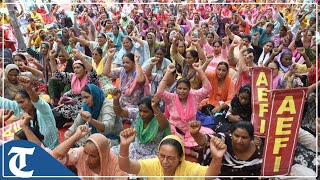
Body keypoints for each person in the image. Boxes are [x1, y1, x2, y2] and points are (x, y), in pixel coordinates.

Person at [118, 128, 227, 179]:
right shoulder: (153, 165)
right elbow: (126, 166)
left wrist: (217, 157)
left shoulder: (188, 169)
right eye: (162, 156)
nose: (164, 161)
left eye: (170, 158)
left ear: (180, 158)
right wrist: (124, 145)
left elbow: (210, 175)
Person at [156, 63, 213, 158]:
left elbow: (208, 88)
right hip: (175, 131)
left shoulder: (195, 96)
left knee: (209, 137)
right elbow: (159, 92)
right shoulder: (171, 98)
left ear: (189, 89)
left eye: (185, 89)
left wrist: (199, 70)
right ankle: (191, 152)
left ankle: (188, 148)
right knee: (172, 142)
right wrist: (168, 73)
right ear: (176, 89)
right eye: (179, 88)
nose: (182, 91)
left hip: (191, 131)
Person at [0, 76, 59, 150]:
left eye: (21, 102)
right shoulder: (22, 110)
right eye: (18, 103)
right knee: (18, 136)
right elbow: (3, 102)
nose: (20, 105)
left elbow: (37, 101)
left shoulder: (43, 110)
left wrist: (29, 88)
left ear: (30, 99)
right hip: (37, 150)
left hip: (53, 150)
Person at [190, 120, 263, 177]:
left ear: (251, 138)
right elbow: (205, 140)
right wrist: (196, 134)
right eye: (236, 136)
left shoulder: (259, 154)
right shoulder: (224, 139)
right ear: (231, 134)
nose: (239, 140)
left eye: (244, 137)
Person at [52, 125, 127, 179]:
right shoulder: (80, 154)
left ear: (102, 155)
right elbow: (56, 155)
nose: (87, 159)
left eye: (93, 156)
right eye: (85, 152)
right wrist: (76, 136)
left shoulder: (116, 165)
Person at [111, 92, 170, 160]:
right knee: (112, 152)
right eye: (140, 111)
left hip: (151, 154)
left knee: (140, 165)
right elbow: (120, 112)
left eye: (146, 111)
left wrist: (154, 107)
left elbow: (165, 125)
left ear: (153, 111)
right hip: (135, 149)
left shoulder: (159, 119)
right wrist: (116, 100)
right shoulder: (136, 114)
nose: (142, 114)